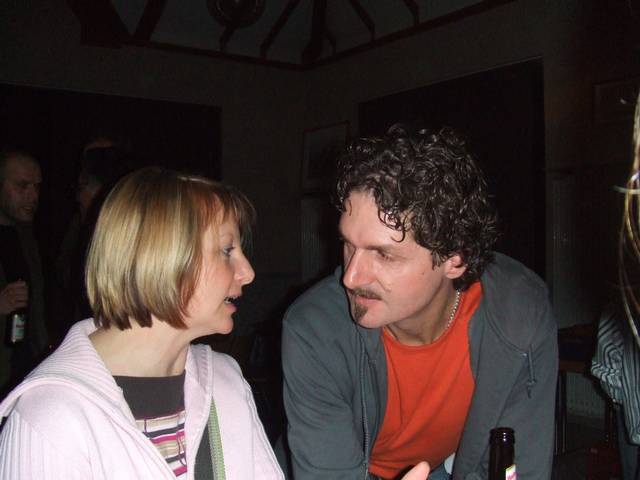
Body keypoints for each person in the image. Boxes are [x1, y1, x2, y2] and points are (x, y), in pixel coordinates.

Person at [281, 126, 558, 479]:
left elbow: (518, 468)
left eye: (384, 255)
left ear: (454, 259)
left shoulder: (518, 313)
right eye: (348, 245)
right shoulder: (314, 330)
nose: (351, 277)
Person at [0, 167, 283, 479]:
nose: (247, 272)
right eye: (227, 250)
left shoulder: (226, 381)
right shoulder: (51, 418)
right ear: (159, 257)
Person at [0, 149, 46, 394]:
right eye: (22, 186)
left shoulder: (26, 236)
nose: (33, 196)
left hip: (25, 367)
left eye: (37, 187)